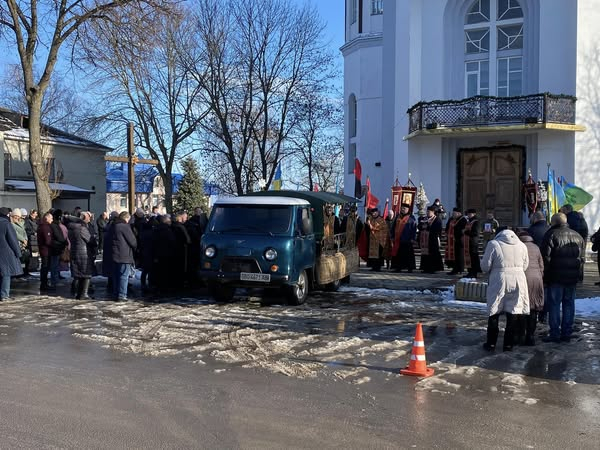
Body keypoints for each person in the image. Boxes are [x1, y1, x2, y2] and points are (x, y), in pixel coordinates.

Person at [481, 228, 530, 351]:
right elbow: (525, 265)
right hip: (519, 279)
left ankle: (491, 343)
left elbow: (485, 266)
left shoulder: (493, 244)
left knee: (494, 310)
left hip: (499, 279)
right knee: (513, 311)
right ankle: (508, 344)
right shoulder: (522, 245)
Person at [540, 212, 585, 343]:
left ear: (553, 222)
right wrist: (579, 276)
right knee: (569, 304)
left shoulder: (551, 234)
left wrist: (545, 277)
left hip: (556, 277)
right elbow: (581, 259)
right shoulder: (577, 236)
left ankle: (555, 333)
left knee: (554, 305)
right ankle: (566, 332)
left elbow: (545, 259)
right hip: (571, 278)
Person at [517, 231, 545, 346]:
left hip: (523, 279)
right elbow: (541, 265)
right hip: (536, 280)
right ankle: (531, 336)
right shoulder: (536, 247)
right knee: (533, 309)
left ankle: (521, 335)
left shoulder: (518, 247)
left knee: (522, 308)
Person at [68, 211, 96, 299]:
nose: (89, 219)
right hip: (83, 253)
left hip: (75, 251)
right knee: (86, 274)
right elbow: (90, 240)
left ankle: (78, 293)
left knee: (78, 274)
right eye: (88, 217)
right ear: (84, 218)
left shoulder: (72, 227)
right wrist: (94, 239)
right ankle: (84, 294)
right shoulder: (81, 228)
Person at [111, 211, 138, 301]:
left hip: (115, 254)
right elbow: (132, 241)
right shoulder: (124, 227)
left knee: (116, 276)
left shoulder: (113, 225)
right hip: (124, 255)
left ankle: (116, 293)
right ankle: (122, 295)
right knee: (124, 276)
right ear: (126, 218)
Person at [0, 207, 22, 300]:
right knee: (6, 273)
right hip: (6, 252)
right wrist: (18, 253)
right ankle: (4, 295)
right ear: (7, 215)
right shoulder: (7, 224)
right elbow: (12, 240)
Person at [390, 203, 417, 272]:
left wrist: (413, 238)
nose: (403, 209)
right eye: (402, 208)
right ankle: (398, 267)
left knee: (408, 255)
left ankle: (410, 268)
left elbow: (413, 229)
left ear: (408, 210)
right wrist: (392, 236)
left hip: (407, 239)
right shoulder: (397, 217)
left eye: (404, 208)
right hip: (398, 239)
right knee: (398, 255)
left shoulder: (411, 218)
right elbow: (393, 227)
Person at [419, 205, 444, 273]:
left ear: (433, 212)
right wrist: (422, 226)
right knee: (425, 254)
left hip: (433, 239)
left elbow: (438, 229)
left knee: (433, 254)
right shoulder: (424, 218)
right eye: (427, 211)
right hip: (425, 240)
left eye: (429, 211)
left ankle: (433, 268)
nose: (428, 213)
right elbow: (419, 226)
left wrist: (428, 227)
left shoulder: (437, 219)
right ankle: (425, 268)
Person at [364, 207, 390, 272]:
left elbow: (379, 228)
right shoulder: (371, 219)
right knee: (372, 255)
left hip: (379, 240)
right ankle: (373, 266)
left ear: (378, 213)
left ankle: (378, 267)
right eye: (373, 213)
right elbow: (367, 229)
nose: (374, 214)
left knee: (379, 255)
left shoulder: (381, 220)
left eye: (375, 212)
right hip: (372, 241)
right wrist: (367, 224)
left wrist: (370, 225)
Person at [447, 208, 467, 275]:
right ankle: (455, 268)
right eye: (453, 213)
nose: (453, 215)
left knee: (459, 255)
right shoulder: (452, 219)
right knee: (455, 255)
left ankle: (460, 269)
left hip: (459, 240)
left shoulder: (463, 220)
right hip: (452, 240)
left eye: (454, 213)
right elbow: (447, 227)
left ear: (459, 213)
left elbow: (463, 229)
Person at [11, 209, 30, 277]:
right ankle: (17, 275)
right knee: (18, 259)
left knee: (24, 259)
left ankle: (22, 273)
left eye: (19, 216)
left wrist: (26, 240)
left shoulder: (22, 223)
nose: (18, 218)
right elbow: (15, 234)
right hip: (18, 243)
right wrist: (23, 240)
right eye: (17, 216)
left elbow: (24, 232)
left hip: (23, 243)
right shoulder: (11, 224)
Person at [463, 208, 482, 278]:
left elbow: (476, 233)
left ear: (474, 214)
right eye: (468, 214)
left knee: (473, 258)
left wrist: (466, 232)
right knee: (469, 258)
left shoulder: (476, 222)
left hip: (473, 243)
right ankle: (470, 272)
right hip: (468, 242)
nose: (468, 215)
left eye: (470, 214)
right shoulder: (469, 221)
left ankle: (474, 272)